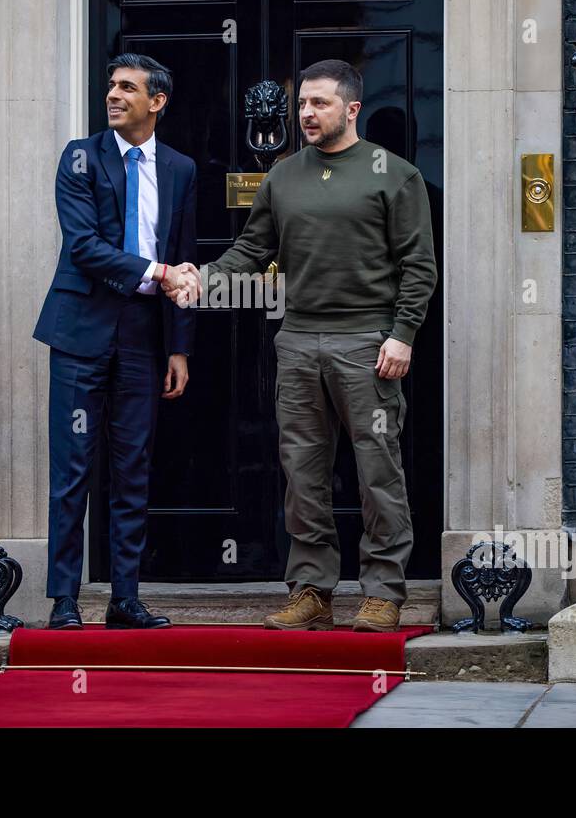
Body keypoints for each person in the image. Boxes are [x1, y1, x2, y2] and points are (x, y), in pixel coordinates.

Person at [171, 59, 436, 632]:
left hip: (368, 343)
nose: (307, 114)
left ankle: (384, 592)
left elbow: (418, 266)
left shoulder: (396, 175)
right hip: (296, 342)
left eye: (319, 103)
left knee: (377, 471)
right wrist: (203, 279)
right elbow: (250, 252)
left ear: (351, 108)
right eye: (303, 105)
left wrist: (403, 334)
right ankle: (312, 589)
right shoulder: (282, 177)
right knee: (303, 472)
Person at [33, 53, 202, 630]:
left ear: (156, 101)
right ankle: (63, 599)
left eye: (127, 88)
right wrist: (158, 273)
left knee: (133, 468)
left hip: (143, 336)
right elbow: (83, 246)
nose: (113, 95)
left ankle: (125, 600)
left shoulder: (180, 168)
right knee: (73, 468)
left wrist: (178, 347)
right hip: (81, 330)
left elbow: (184, 256)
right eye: (110, 85)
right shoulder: (81, 156)